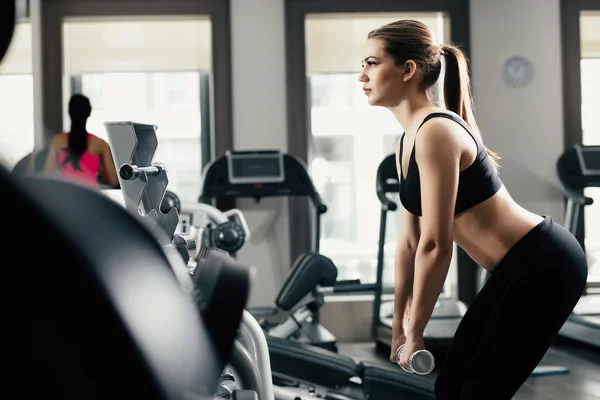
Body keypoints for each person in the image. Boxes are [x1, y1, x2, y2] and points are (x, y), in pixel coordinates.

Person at [359, 19, 588, 399]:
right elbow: (410, 244)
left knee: (478, 392)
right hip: (514, 269)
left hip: (545, 263)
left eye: (371, 63)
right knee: (451, 387)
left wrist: (417, 330)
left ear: (407, 70)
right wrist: (399, 324)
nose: (361, 75)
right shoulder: (406, 142)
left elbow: (436, 244)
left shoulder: (437, 131)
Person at [43, 94, 119, 189]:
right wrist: (97, 169)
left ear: (69, 112)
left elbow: (47, 176)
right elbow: (113, 181)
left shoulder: (58, 141)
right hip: (91, 199)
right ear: (89, 113)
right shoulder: (100, 144)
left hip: (66, 199)